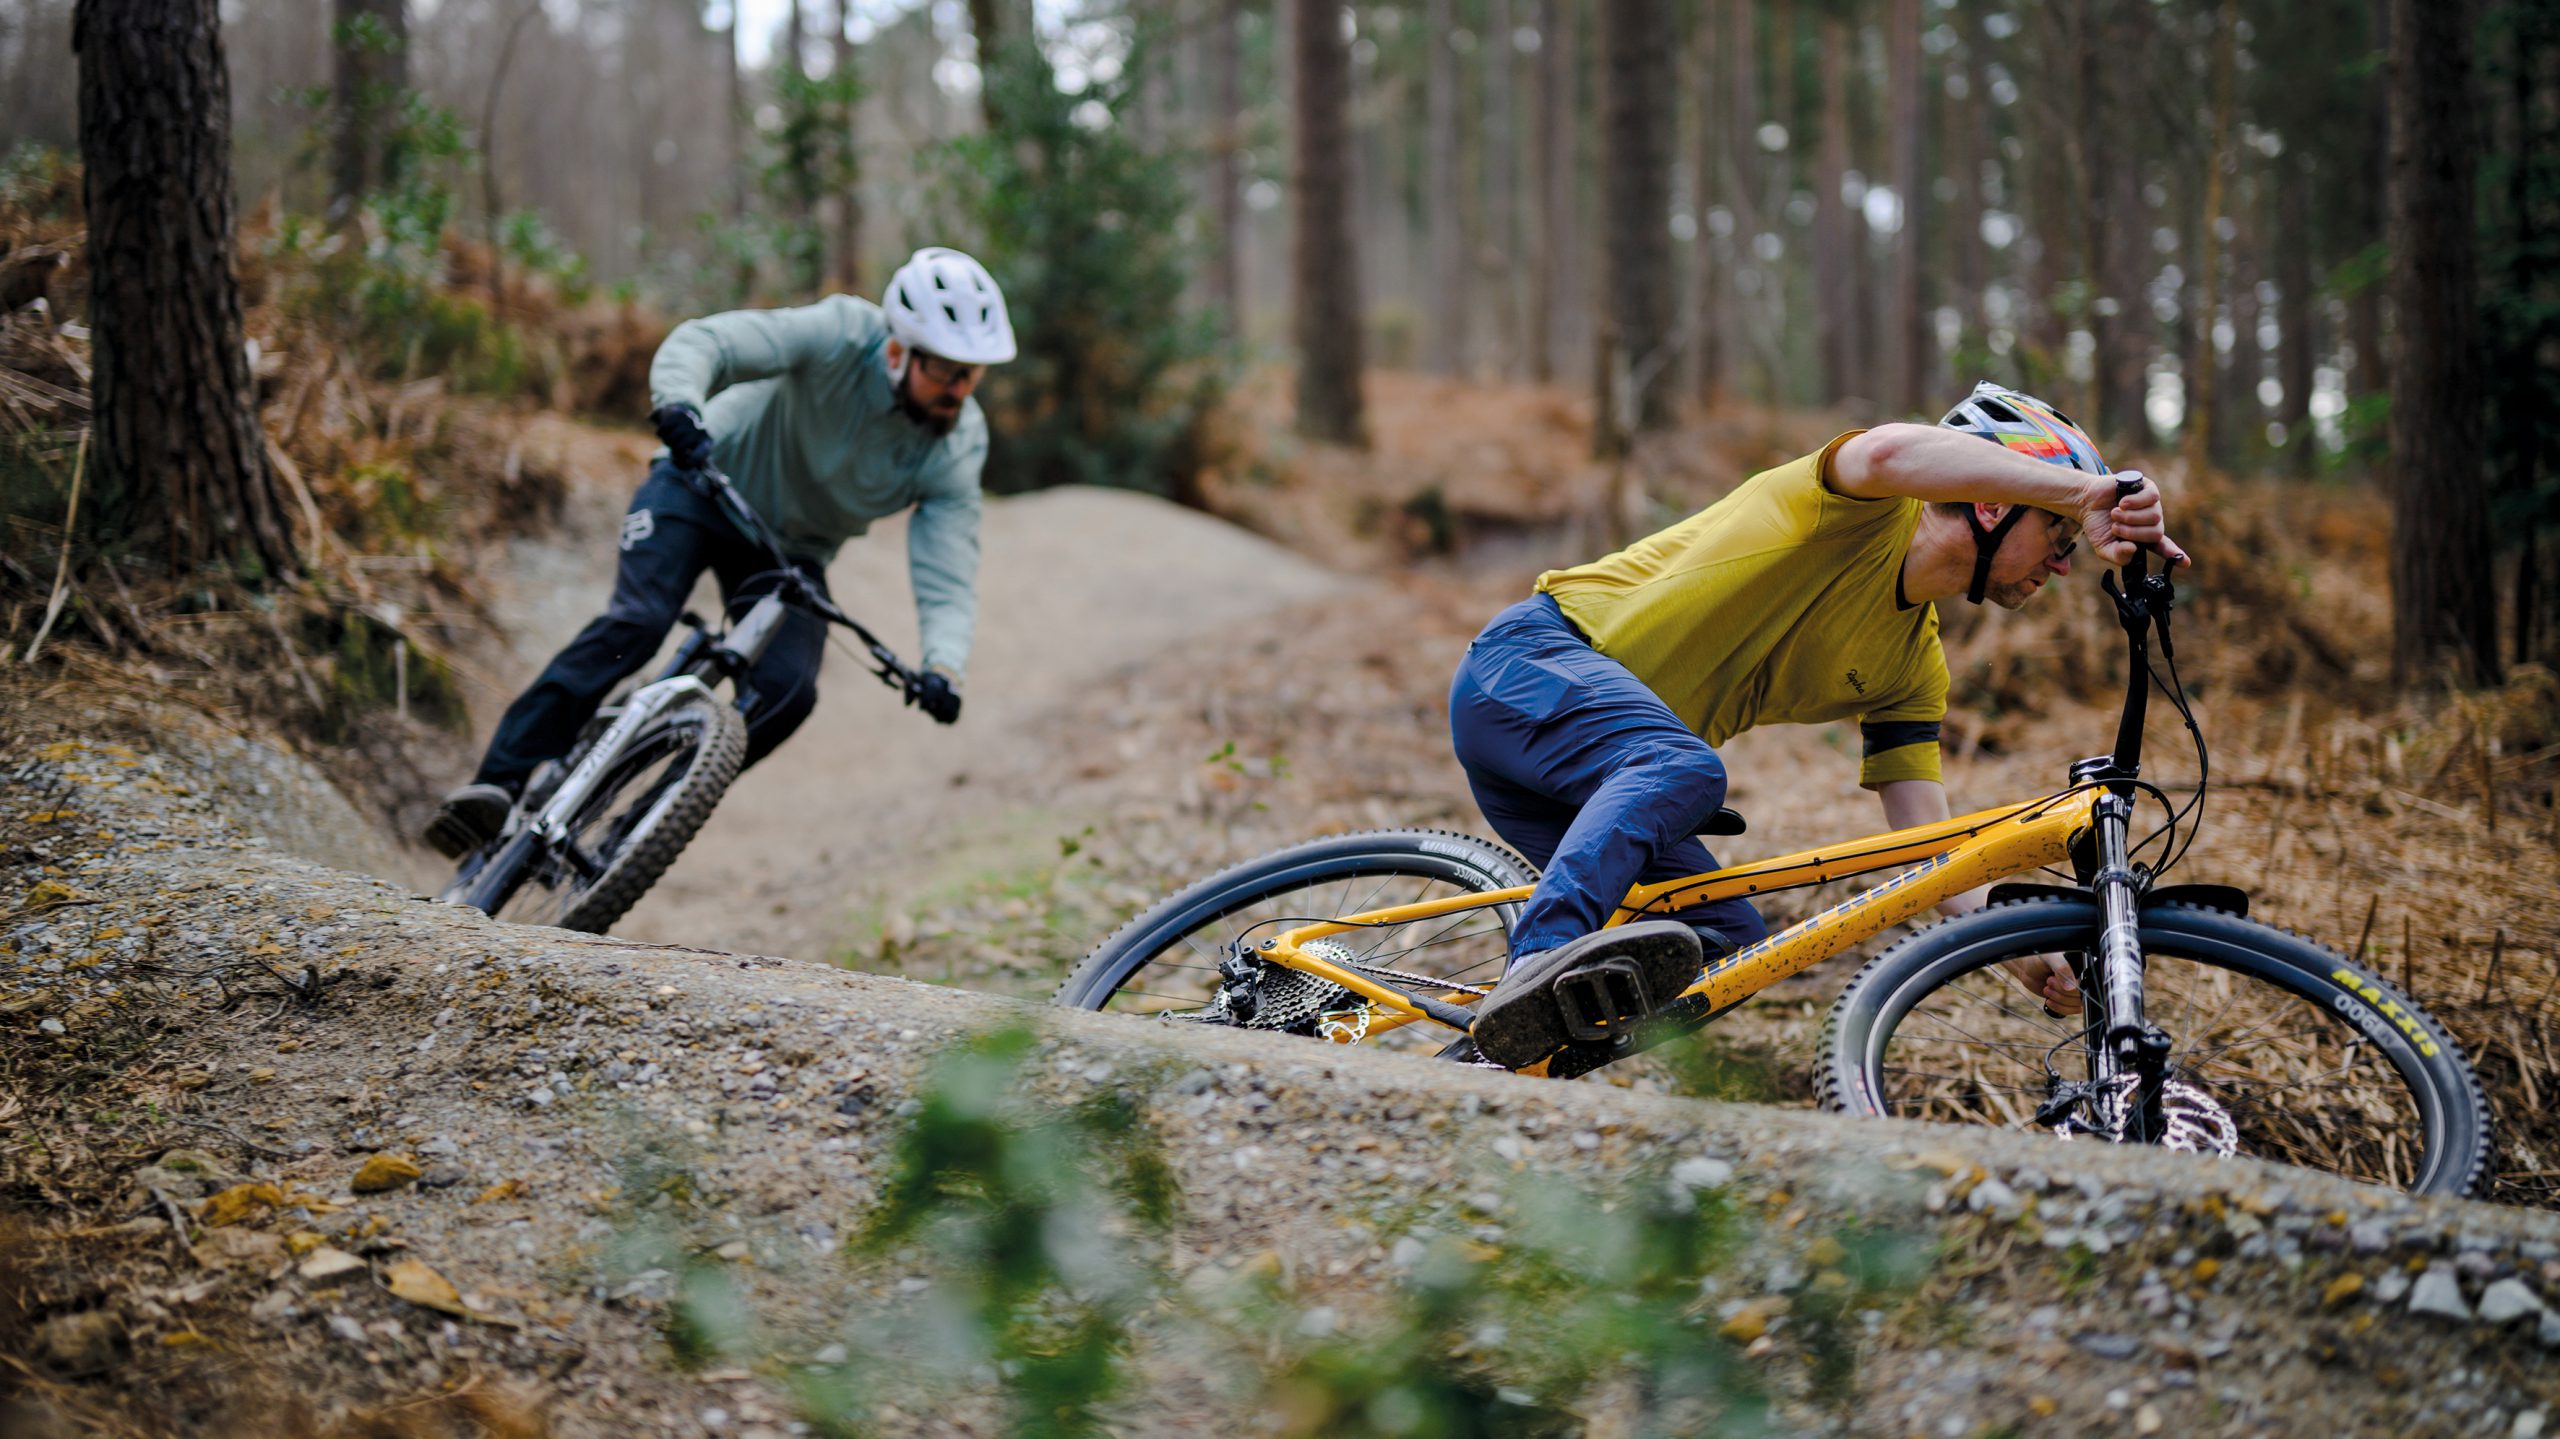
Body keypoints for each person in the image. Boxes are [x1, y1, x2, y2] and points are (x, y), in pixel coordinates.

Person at [1453, 383, 2191, 1069]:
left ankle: (1504, 1062)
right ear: (1993, 505)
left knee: (1732, 949)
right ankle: (1536, 959)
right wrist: (2086, 489)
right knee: (1684, 768)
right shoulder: (1857, 508)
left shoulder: (1913, 666)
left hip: (1593, 776)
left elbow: (1926, 847)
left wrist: (2014, 946)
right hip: (1529, 665)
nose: (2063, 565)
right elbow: (1890, 451)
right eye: (2059, 537)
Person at [424, 247, 1016, 858]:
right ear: (898, 351)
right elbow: (713, 342)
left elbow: (948, 563)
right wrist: (682, 403)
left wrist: (943, 667)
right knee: (638, 622)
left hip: (786, 554)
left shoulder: (957, 443)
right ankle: (499, 780)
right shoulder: (842, 334)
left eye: (972, 375)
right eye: (946, 371)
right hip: (702, 484)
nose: (959, 390)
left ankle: (635, 831)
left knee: (790, 690)